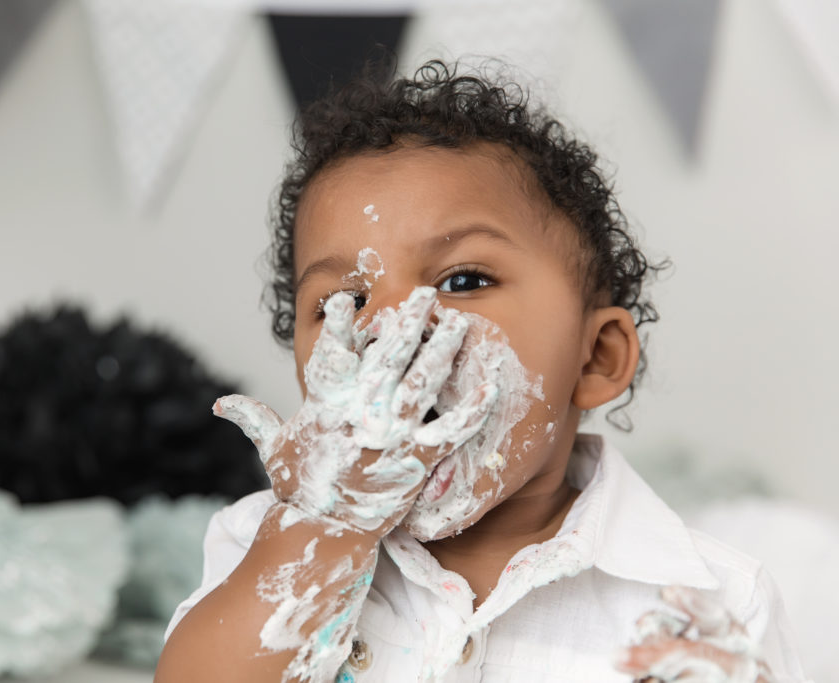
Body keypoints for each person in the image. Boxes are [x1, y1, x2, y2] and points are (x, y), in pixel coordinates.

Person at [153, 60, 807, 682]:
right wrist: (321, 534)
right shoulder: (263, 544)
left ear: (597, 356)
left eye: (462, 279)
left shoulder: (709, 596)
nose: (394, 326)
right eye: (343, 303)